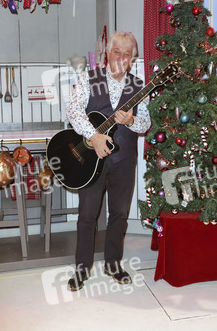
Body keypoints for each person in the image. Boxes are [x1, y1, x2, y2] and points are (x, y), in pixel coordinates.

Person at [66, 31, 151, 291]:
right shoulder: (90, 79)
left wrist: (133, 120)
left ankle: (113, 264)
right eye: (117, 52)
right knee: (87, 215)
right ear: (108, 53)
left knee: (120, 214)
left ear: (133, 59)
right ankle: (82, 268)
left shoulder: (139, 86)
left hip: (124, 160)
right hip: (92, 159)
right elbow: (73, 109)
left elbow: (146, 122)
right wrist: (94, 136)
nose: (121, 58)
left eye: (127, 55)